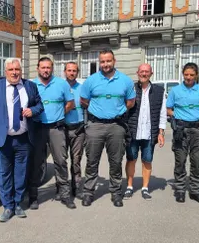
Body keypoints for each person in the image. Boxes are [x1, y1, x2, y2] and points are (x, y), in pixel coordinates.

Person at [0, 58, 44, 222]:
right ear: (5, 71)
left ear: (21, 71)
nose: (15, 73)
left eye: (17, 69)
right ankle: (7, 206)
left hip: (23, 139)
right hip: (3, 139)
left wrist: (33, 110)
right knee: (4, 174)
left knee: (21, 173)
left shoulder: (30, 86)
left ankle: (17, 203)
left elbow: (40, 106)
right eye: (11, 70)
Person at [80, 49, 136, 208]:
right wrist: (98, 111)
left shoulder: (125, 80)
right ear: (100, 62)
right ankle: (89, 192)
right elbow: (84, 100)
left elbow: (130, 102)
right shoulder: (91, 80)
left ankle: (116, 193)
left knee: (116, 161)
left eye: (108, 61)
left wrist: (117, 112)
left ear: (114, 61)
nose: (105, 64)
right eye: (102, 61)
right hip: (95, 125)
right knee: (91, 161)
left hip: (116, 126)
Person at [27, 57, 75, 210]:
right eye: (43, 67)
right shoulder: (31, 85)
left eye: (48, 67)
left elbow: (70, 103)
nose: (46, 70)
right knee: (36, 162)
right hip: (38, 128)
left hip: (56, 128)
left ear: (52, 69)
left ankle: (65, 194)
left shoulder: (61, 84)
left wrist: (59, 113)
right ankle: (33, 197)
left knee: (60, 161)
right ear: (38, 68)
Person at [166, 62, 199, 204]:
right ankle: (180, 189)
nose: (189, 77)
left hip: (198, 129)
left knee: (196, 161)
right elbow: (169, 109)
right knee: (180, 160)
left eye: (192, 75)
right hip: (181, 129)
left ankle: (195, 191)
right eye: (186, 74)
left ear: (196, 75)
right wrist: (180, 117)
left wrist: (193, 116)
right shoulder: (175, 91)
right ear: (183, 75)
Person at [123, 63, 167, 201]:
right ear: (137, 73)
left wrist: (161, 132)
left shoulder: (159, 91)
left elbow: (162, 113)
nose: (144, 74)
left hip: (150, 133)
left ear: (151, 74)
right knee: (131, 159)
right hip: (132, 131)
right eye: (141, 71)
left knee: (147, 160)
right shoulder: (130, 89)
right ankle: (129, 186)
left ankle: (145, 188)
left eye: (146, 72)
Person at [63, 62, 86, 200]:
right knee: (61, 160)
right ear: (65, 72)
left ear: (77, 72)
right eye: (69, 70)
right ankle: (62, 188)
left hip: (78, 129)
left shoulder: (82, 89)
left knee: (76, 160)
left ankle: (76, 188)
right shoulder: (60, 87)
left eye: (74, 71)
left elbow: (88, 107)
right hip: (61, 128)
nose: (71, 73)